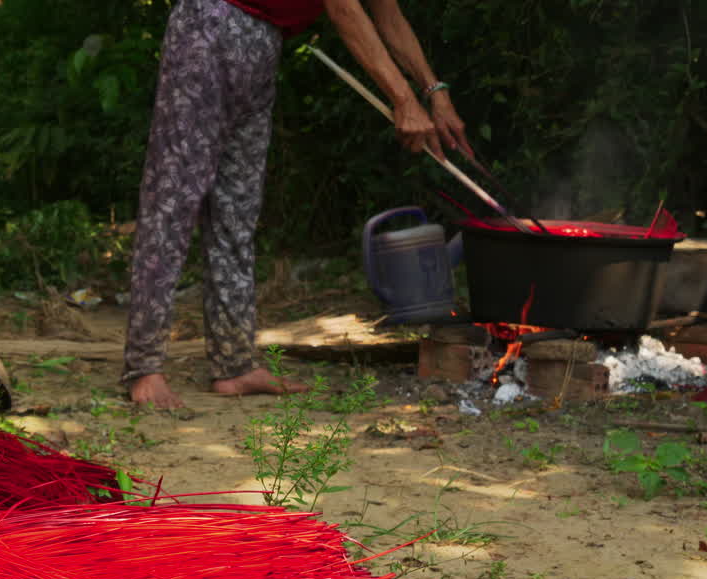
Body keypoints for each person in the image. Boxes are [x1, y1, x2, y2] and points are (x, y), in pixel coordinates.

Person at [124, 0, 473, 409]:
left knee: (237, 210)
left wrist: (434, 92)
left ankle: (235, 365)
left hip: (262, 44)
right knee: (173, 200)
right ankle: (144, 369)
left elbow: (386, 11)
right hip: (210, 27)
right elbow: (343, 8)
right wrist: (403, 100)